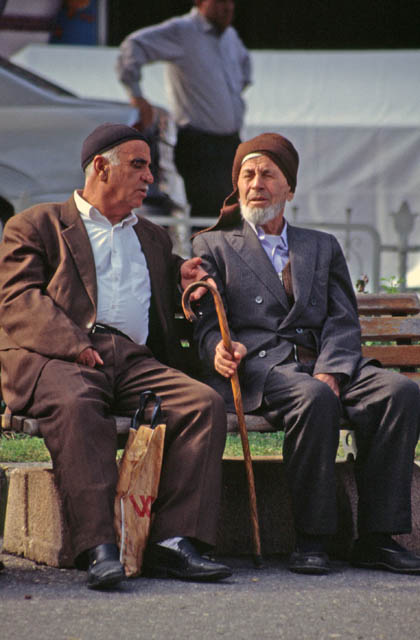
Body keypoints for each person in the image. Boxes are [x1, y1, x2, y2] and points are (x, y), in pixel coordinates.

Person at [0, 122, 232, 590]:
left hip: (132, 359)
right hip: (58, 357)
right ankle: (100, 547)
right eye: (138, 165)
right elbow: (17, 298)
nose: (150, 177)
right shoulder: (37, 224)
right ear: (100, 167)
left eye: (150, 167)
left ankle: (173, 541)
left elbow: (161, 281)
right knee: (78, 406)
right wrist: (75, 343)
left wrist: (183, 277)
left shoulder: (153, 236)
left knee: (202, 405)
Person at [192, 132, 420, 575]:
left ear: (290, 189)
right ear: (237, 185)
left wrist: (332, 369)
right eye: (247, 174)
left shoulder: (321, 245)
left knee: (399, 393)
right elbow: (205, 320)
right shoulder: (212, 245)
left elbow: (342, 318)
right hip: (264, 367)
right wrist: (216, 348)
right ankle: (312, 538)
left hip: (324, 359)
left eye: (267, 174)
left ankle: (378, 538)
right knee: (314, 398)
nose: (256, 183)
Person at [116, 0, 251, 222]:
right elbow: (133, 46)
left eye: (230, 1)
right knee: (210, 219)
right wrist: (136, 96)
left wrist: (225, 98)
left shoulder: (230, 37)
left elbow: (245, 70)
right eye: (219, 1)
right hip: (200, 144)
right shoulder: (183, 31)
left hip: (230, 143)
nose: (227, 7)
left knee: (234, 216)